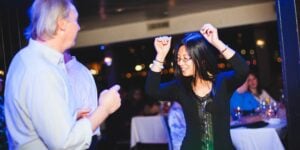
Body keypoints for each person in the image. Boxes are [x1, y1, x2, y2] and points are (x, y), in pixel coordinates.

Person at [4, 0, 121, 149]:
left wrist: (71, 116)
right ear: (62, 24)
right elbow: (65, 144)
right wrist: (104, 109)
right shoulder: (42, 70)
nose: (78, 27)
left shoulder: (25, 58)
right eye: (75, 20)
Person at [145, 23, 249, 150]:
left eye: (185, 58)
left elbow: (243, 70)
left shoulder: (223, 82)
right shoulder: (180, 87)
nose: (180, 63)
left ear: (201, 60)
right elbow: (152, 90)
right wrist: (160, 56)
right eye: (178, 58)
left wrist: (216, 42)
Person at [64, 50, 100, 150]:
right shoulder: (76, 70)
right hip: (86, 134)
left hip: (83, 135)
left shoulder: (75, 73)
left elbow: (83, 109)